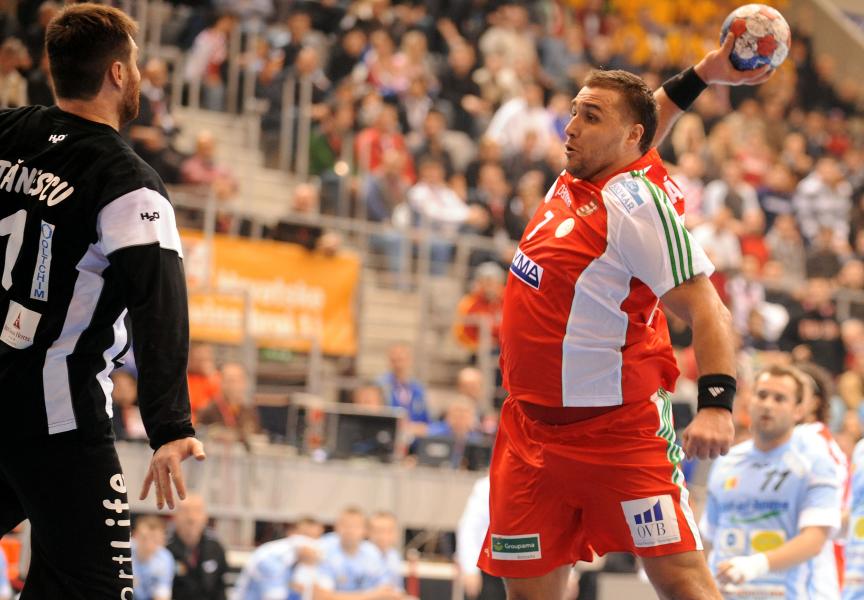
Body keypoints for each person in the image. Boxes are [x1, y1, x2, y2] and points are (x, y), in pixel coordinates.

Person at [478, 36, 773, 600]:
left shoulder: (635, 204)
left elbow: (708, 307)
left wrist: (716, 404)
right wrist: (707, 71)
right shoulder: (576, 175)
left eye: (590, 118)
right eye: (574, 112)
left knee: (682, 582)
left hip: (617, 434)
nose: (571, 128)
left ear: (630, 138)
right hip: (529, 432)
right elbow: (646, 113)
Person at [0, 5, 205, 597]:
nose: (137, 73)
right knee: (95, 586)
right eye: (135, 63)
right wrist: (170, 425)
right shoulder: (128, 181)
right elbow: (159, 304)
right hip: (58, 414)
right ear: (118, 74)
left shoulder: (7, 133)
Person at [702, 366, 843, 598]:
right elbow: (711, 537)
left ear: (799, 410)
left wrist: (755, 565)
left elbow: (815, 539)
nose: (768, 404)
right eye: (762, 395)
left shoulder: (815, 461)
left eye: (779, 399)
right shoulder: (726, 462)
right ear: (749, 401)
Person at [167, 493, 228, 600]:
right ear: (175, 516)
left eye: (197, 511)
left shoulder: (216, 548)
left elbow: (220, 589)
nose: (191, 518)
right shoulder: (165, 549)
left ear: (205, 517)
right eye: (185, 511)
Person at [132, 515, 175, 600]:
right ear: (135, 535)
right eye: (144, 538)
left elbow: (162, 596)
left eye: (154, 540)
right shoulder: (124, 551)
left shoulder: (165, 558)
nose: (148, 544)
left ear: (162, 540)